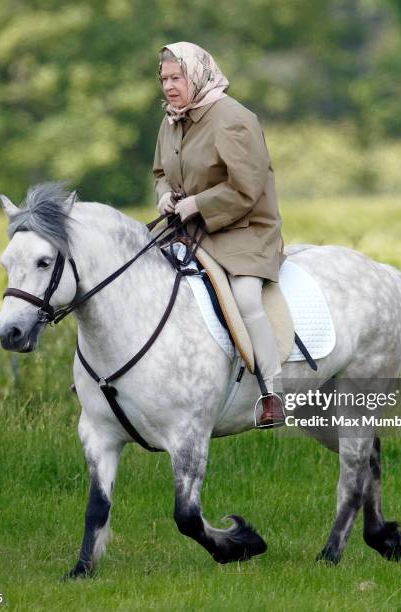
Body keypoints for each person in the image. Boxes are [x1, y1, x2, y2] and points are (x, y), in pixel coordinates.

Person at [152, 41, 285, 427]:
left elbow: (246, 187)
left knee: (245, 297)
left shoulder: (232, 118)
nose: (169, 86)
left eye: (177, 77)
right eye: (164, 79)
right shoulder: (173, 119)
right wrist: (164, 197)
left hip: (244, 229)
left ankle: (272, 391)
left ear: (197, 73)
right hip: (190, 231)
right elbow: (161, 172)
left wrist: (197, 205)